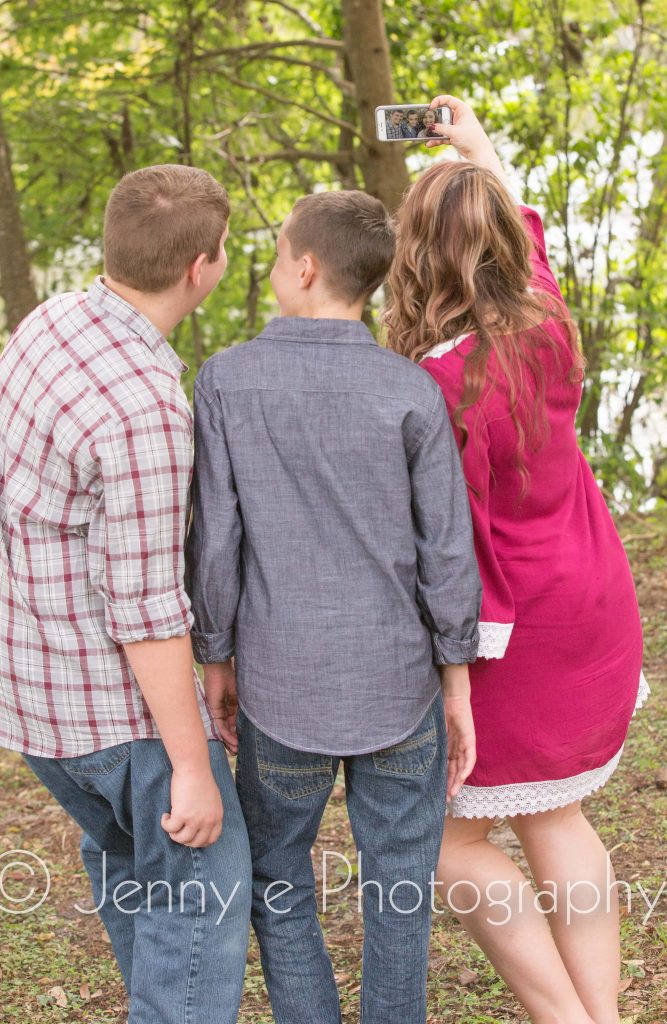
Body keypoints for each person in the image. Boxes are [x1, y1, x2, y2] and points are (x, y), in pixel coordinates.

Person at [184, 188, 483, 1024]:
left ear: (306, 267)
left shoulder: (226, 381)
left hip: (281, 690)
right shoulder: (411, 390)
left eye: (280, 253)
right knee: (399, 896)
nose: (277, 265)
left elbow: (215, 545)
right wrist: (455, 685)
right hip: (400, 686)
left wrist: (215, 661)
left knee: (278, 882)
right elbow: (445, 553)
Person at [385, 94, 650, 1024]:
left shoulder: (431, 388)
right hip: (592, 601)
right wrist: (474, 147)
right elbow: (516, 223)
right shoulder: (547, 316)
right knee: (554, 816)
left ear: (409, 258)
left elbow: (438, 547)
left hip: (514, 635)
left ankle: (564, 1019)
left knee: (444, 843)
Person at [0, 165, 252, 1024]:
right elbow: (144, 607)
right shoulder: (144, 411)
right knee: (201, 917)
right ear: (202, 268)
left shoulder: (53, 320)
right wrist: (191, 768)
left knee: (142, 886)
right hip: (115, 720)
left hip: (29, 698)